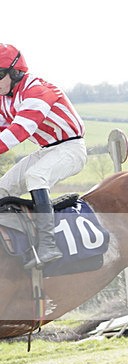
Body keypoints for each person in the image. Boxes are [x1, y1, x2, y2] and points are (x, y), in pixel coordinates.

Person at [0, 44, 87, 269]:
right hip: (46, 150)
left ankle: (48, 245)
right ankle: (18, 244)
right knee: (2, 189)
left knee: (35, 176)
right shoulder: (4, 99)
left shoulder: (37, 90)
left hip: (71, 149)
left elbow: (18, 132)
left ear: (15, 72)